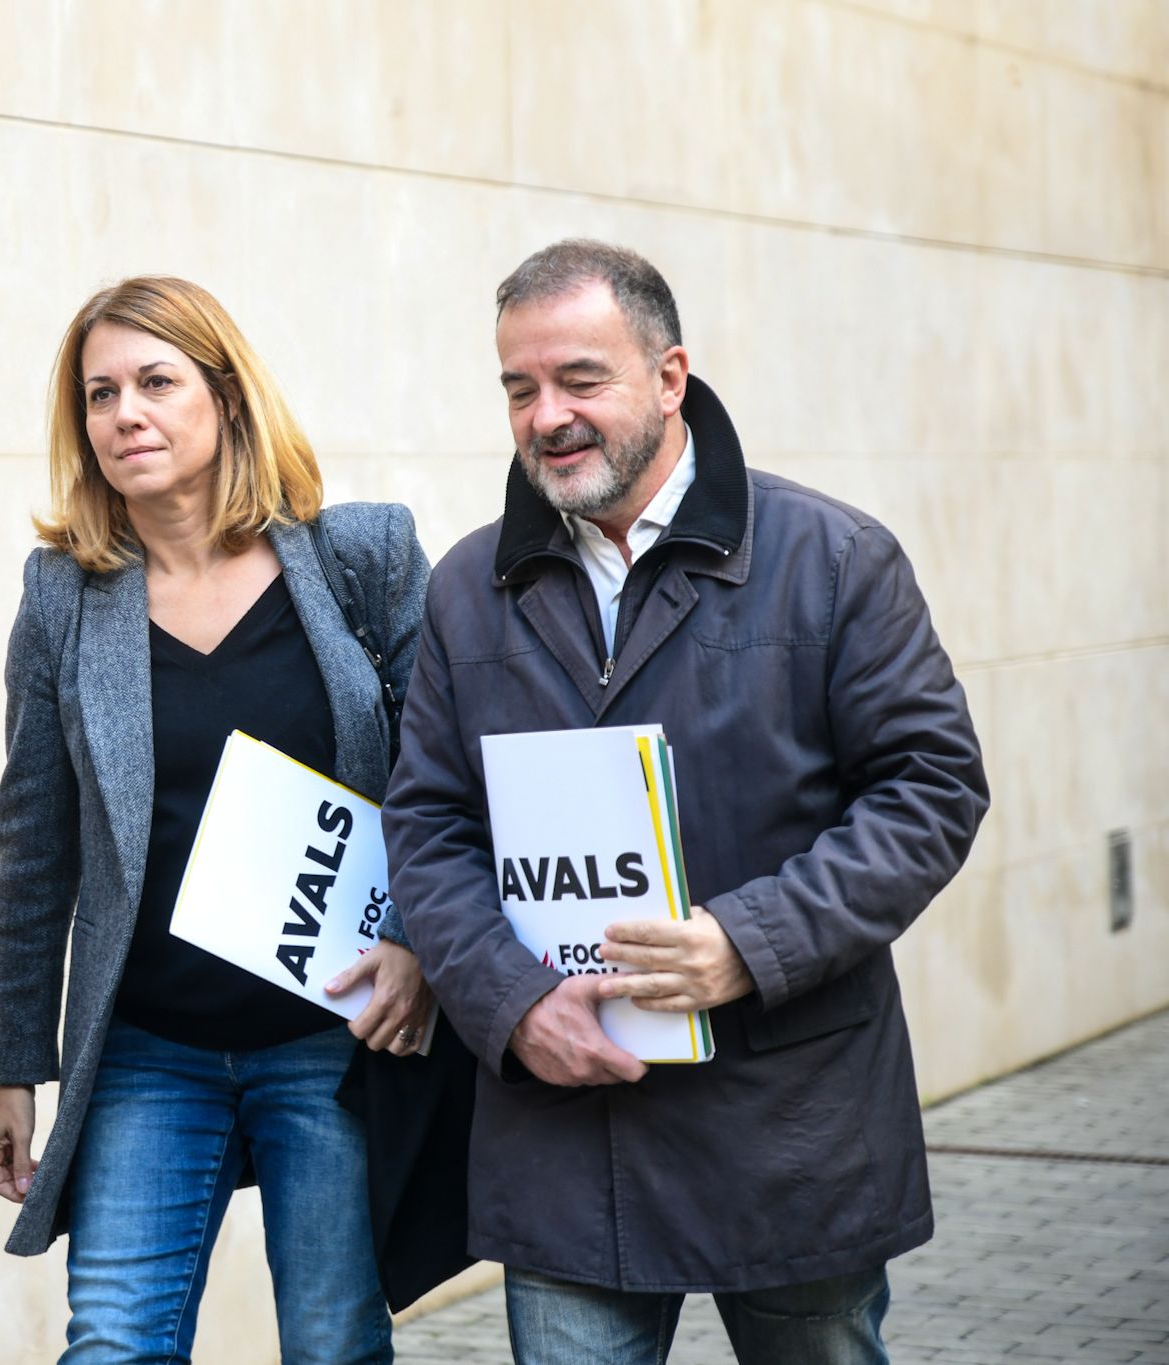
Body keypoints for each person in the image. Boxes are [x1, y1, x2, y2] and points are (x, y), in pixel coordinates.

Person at [384, 240, 988, 1365]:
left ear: (669, 378)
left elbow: (929, 787)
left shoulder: (829, 557)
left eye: (579, 379)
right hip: (560, 1136)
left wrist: (743, 944)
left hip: (788, 1127)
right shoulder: (468, 588)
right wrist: (511, 1003)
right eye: (518, 388)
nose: (544, 416)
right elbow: (425, 824)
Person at [0, 275, 434, 1364]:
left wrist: (419, 946)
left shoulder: (358, 557)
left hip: (327, 1034)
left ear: (224, 399)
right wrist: (13, 1066)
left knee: (332, 1344)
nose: (124, 414)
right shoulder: (62, 596)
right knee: (113, 1346)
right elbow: (34, 845)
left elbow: (439, 777)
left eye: (154, 382)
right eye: (98, 395)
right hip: (147, 1046)